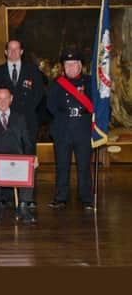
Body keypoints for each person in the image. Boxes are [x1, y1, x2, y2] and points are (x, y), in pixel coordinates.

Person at [0, 39, 44, 208]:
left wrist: (22, 115)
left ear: (21, 52)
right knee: (5, 155)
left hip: (26, 121)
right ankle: (5, 196)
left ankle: (28, 197)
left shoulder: (32, 70)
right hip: (5, 122)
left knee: (28, 157)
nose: (13, 52)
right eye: (10, 49)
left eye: (16, 49)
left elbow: (39, 93)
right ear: (5, 52)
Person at [0, 86, 38, 224]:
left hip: (17, 159)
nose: (3, 101)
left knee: (30, 165)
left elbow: (27, 141)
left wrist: (32, 157)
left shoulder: (20, 118)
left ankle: (23, 206)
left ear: (11, 99)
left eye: (6, 98)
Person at [46, 48, 93, 210]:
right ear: (63, 67)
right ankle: (60, 197)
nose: (71, 67)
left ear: (80, 66)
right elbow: (50, 105)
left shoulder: (90, 82)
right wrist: (64, 116)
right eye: (67, 65)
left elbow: (97, 104)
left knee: (84, 165)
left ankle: (86, 198)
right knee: (62, 165)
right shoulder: (57, 83)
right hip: (63, 128)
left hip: (83, 127)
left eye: (74, 64)